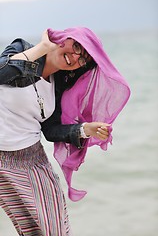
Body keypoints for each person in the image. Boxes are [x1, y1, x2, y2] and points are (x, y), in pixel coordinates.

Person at [0, 27, 130, 236]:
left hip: (31, 163)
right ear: (63, 39)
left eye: (83, 60)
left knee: (52, 231)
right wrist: (42, 48)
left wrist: (84, 129)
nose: (75, 57)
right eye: (76, 46)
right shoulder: (21, 49)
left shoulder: (58, 85)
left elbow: (50, 130)